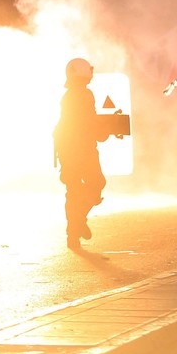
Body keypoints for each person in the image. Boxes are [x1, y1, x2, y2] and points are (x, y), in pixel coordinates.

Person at [53, 58, 106, 251]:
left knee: (73, 191)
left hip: (68, 151)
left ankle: (73, 232)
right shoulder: (85, 95)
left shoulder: (69, 96)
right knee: (96, 184)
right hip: (83, 150)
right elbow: (88, 122)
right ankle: (78, 221)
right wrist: (104, 131)